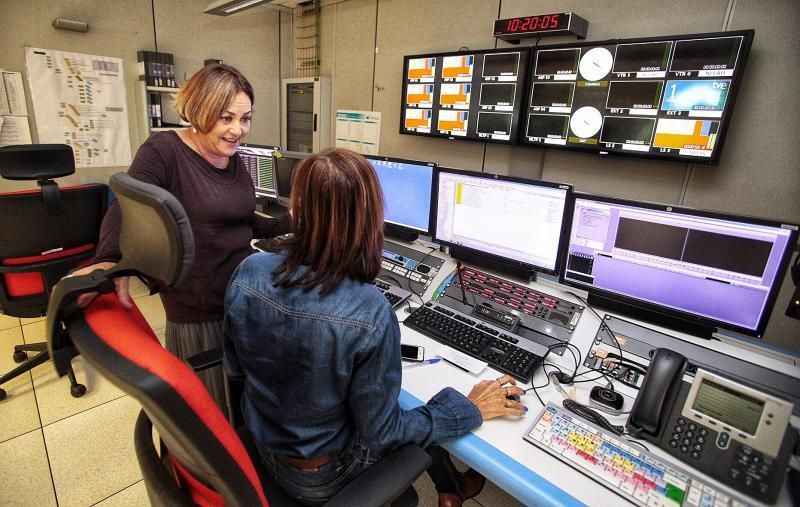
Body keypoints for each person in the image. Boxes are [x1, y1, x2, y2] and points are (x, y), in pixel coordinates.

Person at [223, 148, 527, 506]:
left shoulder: (248, 272)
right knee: (441, 403)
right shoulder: (369, 310)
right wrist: (470, 407)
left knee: (422, 405)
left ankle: (450, 488)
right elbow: (384, 434)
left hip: (263, 450)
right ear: (369, 218)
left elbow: (235, 369)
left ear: (297, 210)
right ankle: (452, 484)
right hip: (321, 477)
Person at [73, 64, 291, 410]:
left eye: (245, 119)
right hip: (199, 310)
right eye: (225, 118)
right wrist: (109, 258)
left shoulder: (232, 158)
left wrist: (296, 222)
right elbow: (126, 207)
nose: (238, 130)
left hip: (241, 297)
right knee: (212, 411)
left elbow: (242, 223)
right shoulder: (165, 151)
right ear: (199, 111)